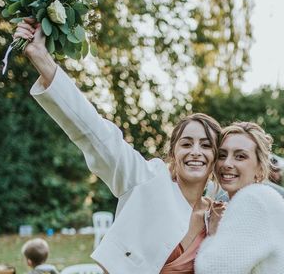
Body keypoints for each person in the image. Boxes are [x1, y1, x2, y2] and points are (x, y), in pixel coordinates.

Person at [14, 19, 222, 274]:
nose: (195, 152)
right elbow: (95, 133)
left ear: (216, 157)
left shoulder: (217, 215)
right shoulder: (148, 179)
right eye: (186, 143)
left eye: (206, 145)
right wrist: (40, 57)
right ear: (173, 153)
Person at [195, 122, 284, 274]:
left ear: (260, 167)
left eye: (240, 156)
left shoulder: (253, 199)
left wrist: (214, 234)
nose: (227, 163)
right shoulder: (264, 197)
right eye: (222, 155)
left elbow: (213, 270)